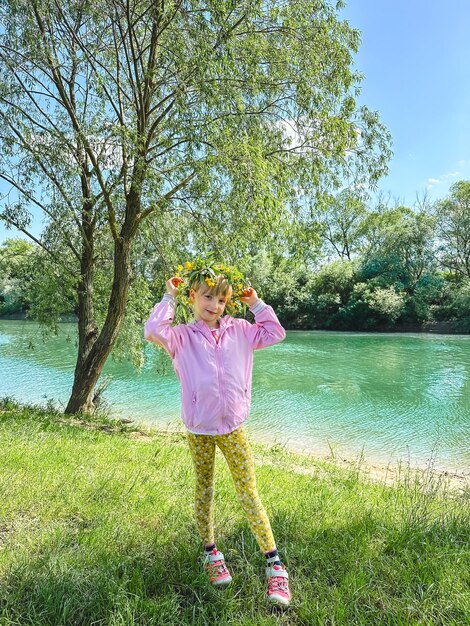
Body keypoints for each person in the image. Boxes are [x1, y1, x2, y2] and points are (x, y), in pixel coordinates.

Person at [144, 270, 291, 606]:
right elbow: (152, 330)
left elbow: (275, 332)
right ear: (192, 296)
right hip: (199, 429)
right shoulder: (180, 336)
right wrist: (168, 296)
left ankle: (274, 564)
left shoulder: (241, 330)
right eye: (207, 296)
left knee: (248, 491)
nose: (215, 305)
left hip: (233, 427)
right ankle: (211, 553)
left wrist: (255, 303)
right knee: (204, 488)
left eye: (222, 299)